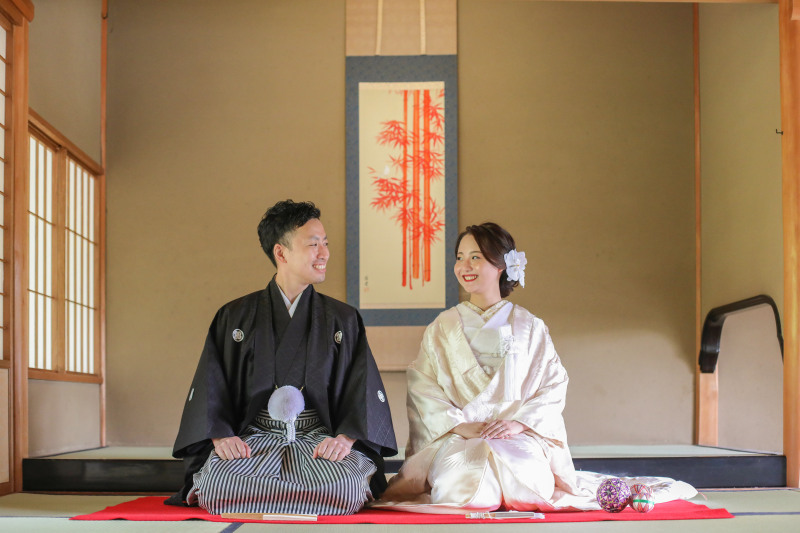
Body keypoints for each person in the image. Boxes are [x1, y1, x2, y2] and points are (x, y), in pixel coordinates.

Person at [374, 222, 695, 513]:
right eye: (460, 257)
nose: (465, 266)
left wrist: (519, 423)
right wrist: (459, 425)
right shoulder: (442, 326)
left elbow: (553, 385)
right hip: (459, 436)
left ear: (502, 265)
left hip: (517, 434)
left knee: (527, 489)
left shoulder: (530, 326)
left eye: (476, 257)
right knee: (468, 492)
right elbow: (423, 386)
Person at [166, 200, 398, 515]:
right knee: (218, 482)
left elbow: (362, 386)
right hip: (254, 440)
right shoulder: (235, 316)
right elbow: (212, 383)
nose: (325, 253)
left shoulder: (342, 318)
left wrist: (345, 438)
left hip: (318, 442)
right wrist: (220, 435)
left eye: (325, 244)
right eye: (313, 245)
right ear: (281, 252)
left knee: (345, 484)